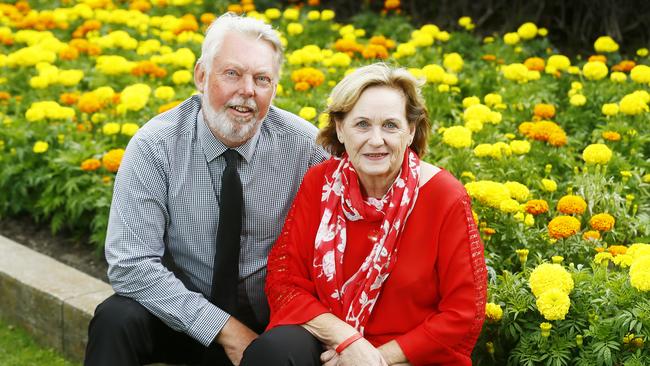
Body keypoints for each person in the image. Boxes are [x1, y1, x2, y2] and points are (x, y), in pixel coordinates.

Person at [84, 13, 327, 366]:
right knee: (116, 318)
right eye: (233, 73)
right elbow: (131, 264)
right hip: (183, 316)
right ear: (201, 75)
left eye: (262, 79)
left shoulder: (305, 148)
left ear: (274, 88)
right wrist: (224, 329)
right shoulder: (156, 146)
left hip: (274, 323)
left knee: (282, 348)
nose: (247, 90)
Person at [241, 63, 487, 366]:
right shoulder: (319, 183)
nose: (375, 140)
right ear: (340, 129)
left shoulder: (444, 196)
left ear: (411, 131)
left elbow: (462, 314)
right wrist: (348, 341)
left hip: (408, 355)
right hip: (330, 342)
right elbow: (285, 280)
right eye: (362, 124)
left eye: (390, 125)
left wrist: (373, 359)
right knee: (273, 353)